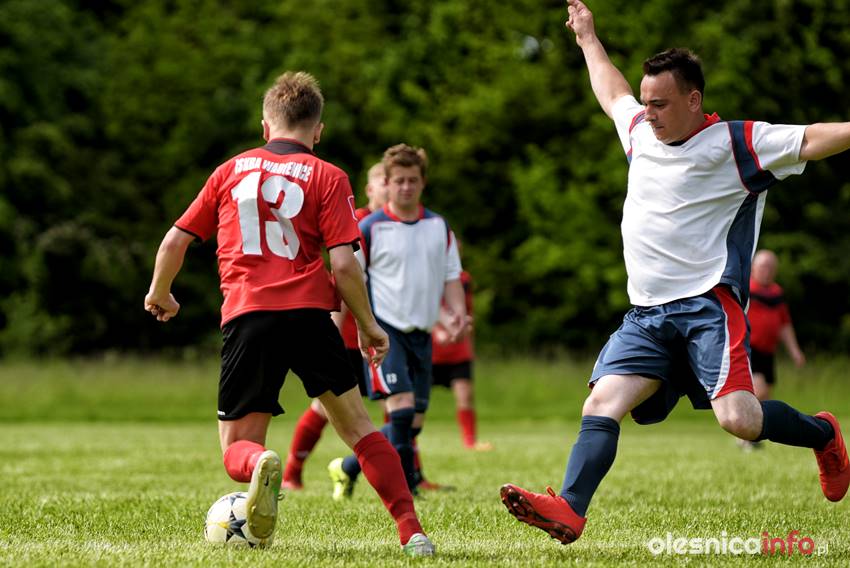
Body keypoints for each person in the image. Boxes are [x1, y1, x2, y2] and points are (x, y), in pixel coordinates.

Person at [500, 0, 850, 546]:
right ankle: (569, 508)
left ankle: (822, 434)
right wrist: (587, 37)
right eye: (646, 103)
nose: (649, 113)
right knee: (601, 403)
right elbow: (611, 91)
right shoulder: (641, 132)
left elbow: (810, 139)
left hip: (708, 308)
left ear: (693, 99)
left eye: (660, 103)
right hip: (647, 314)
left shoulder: (736, 144)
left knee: (738, 419)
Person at [144, 72, 434, 556]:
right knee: (360, 430)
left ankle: (259, 462)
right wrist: (368, 325)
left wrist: (161, 293)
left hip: (248, 315)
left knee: (236, 449)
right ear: (318, 130)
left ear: (265, 126)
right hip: (310, 317)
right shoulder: (329, 176)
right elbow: (344, 265)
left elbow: (176, 240)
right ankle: (412, 531)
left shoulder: (229, 171)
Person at [328, 143, 469, 499]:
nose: (406, 187)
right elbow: (347, 278)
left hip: (422, 334)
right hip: (384, 332)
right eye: (399, 181)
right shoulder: (370, 227)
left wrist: (456, 314)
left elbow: (450, 275)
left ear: (423, 183)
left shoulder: (438, 226)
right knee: (402, 413)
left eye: (412, 180)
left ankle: (348, 467)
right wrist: (339, 325)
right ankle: (407, 490)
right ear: (387, 183)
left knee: (413, 422)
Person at [281, 162, 388, 490]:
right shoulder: (360, 222)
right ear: (370, 189)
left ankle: (411, 475)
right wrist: (336, 326)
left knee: (398, 406)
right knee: (325, 407)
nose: (392, 188)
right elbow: (341, 273)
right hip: (354, 335)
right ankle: (292, 472)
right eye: (385, 181)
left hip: (385, 330)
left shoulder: (400, 227)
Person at [430, 269, 491, 451]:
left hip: (458, 350)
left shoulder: (463, 279)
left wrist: (468, 335)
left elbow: (468, 312)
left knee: (465, 395)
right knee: (412, 401)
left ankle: (470, 442)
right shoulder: (424, 272)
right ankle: (405, 443)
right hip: (429, 351)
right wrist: (436, 331)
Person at [749, 249, 806, 400]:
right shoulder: (745, 290)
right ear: (753, 267)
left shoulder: (776, 293)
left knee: (766, 397)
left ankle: (759, 417)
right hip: (749, 350)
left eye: (771, 267)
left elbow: (784, 324)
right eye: (763, 267)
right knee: (759, 392)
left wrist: (795, 351)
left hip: (768, 352)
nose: (767, 272)